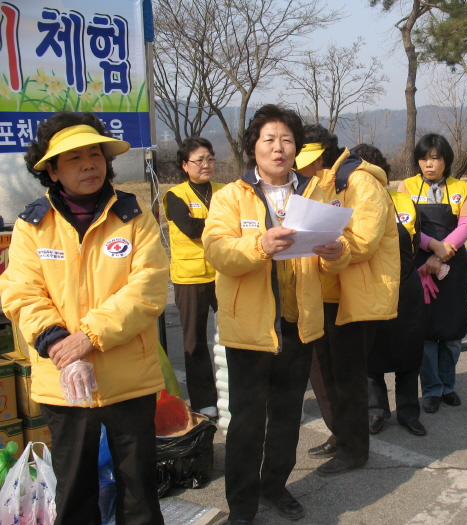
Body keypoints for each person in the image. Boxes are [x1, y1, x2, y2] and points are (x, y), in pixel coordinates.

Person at [0, 111, 168, 524]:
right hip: (64, 381)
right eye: (74, 158)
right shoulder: (31, 226)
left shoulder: (134, 216)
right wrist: (58, 341)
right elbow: (21, 292)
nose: (90, 164)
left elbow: (148, 287)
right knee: (74, 490)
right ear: (52, 171)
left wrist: (89, 336)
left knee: (140, 490)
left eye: (95, 154)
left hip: (129, 378)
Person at [202, 105, 349, 524]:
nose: (278, 147)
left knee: (287, 416)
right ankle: (242, 507)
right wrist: (259, 247)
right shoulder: (231, 197)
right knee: (247, 423)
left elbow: (332, 256)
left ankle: (275, 486)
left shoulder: (314, 193)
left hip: (299, 323)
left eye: (286, 140)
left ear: (296, 148)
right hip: (249, 329)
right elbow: (216, 252)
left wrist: (338, 253)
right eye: (269, 139)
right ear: (253, 148)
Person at [295, 125, 400, 477]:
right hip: (323, 292)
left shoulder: (361, 182)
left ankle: (355, 450)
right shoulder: (319, 182)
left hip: (355, 295)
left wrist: (333, 245)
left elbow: (366, 241)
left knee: (349, 377)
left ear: (321, 154)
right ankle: (340, 435)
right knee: (324, 373)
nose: (300, 168)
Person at [352, 144, 426, 436]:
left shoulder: (404, 202)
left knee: (409, 352)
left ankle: (409, 411)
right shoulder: (349, 202)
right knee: (372, 355)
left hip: (406, 287)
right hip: (369, 288)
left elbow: (415, 241)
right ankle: (376, 410)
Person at [398, 134, 467, 414]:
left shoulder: (462, 187)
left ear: (446, 160)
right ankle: (430, 389)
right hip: (421, 265)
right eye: (424, 158)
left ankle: (448, 386)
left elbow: (466, 224)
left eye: (435, 158)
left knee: (452, 330)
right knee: (426, 332)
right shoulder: (407, 187)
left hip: (453, 265)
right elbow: (407, 225)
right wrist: (432, 247)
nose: (429, 164)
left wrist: (445, 249)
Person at [164, 137, 224, 418]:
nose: (206, 165)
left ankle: (234, 393)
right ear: (184, 165)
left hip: (226, 274)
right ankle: (204, 400)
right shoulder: (175, 195)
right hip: (191, 278)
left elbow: (241, 223)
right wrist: (222, 227)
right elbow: (189, 227)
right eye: (199, 160)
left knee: (237, 337)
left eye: (210, 158)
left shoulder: (226, 192)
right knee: (194, 341)